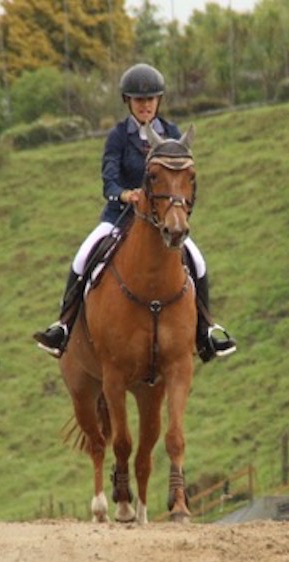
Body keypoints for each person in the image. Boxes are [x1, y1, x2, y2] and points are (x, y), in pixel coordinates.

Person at [33, 63, 236, 363]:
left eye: (151, 99)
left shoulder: (172, 134)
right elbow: (109, 179)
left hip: (162, 220)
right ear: (128, 102)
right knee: (82, 257)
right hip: (120, 216)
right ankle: (63, 326)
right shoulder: (118, 136)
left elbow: (181, 176)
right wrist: (124, 193)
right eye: (140, 101)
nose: (146, 105)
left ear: (159, 101)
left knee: (198, 262)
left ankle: (206, 331)